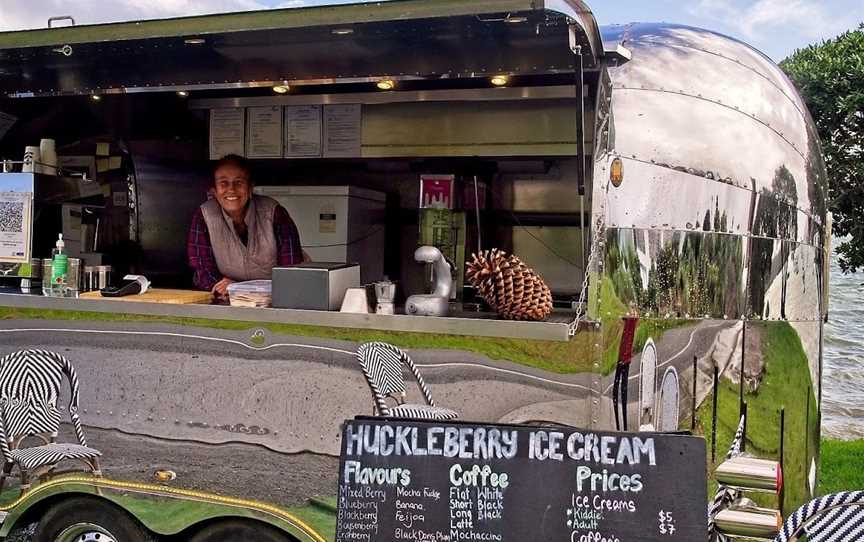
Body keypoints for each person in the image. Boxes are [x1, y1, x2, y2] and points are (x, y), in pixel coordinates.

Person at [187, 155, 303, 300]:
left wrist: (242, 289)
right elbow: (202, 268)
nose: (231, 189)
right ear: (214, 191)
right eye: (223, 183)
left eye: (239, 182)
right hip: (227, 299)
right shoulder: (204, 216)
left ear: (250, 188)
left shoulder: (274, 212)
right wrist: (224, 287)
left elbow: (292, 269)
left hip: (273, 299)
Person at [612, 306, 639, 431]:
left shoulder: (632, 320)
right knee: (617, 387)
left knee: (622, 388)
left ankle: (624, 425)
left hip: (625, 358)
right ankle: (618, 423)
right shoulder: (627, 320)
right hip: (620, 358)